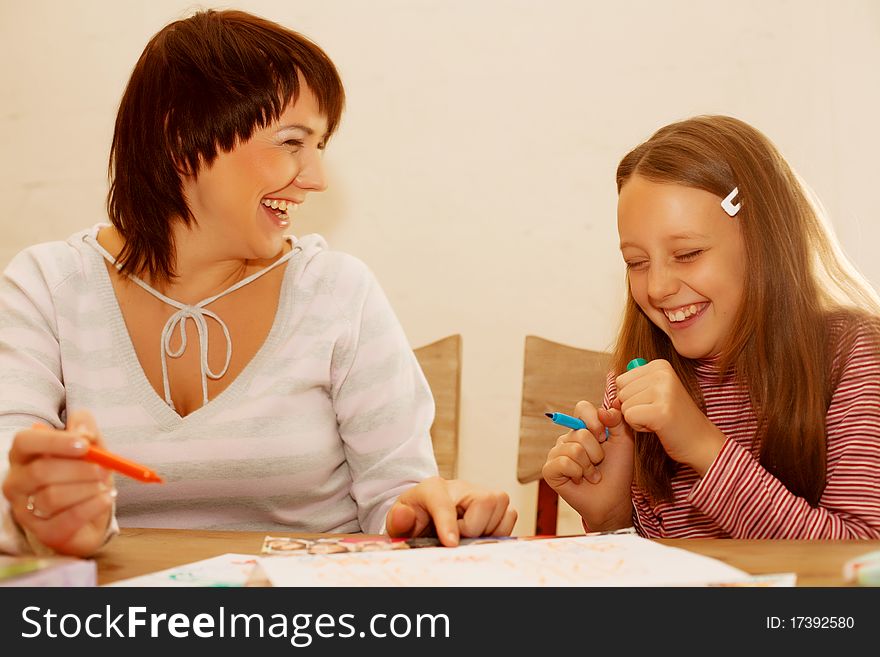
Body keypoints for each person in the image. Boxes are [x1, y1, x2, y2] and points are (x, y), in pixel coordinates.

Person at [0, 9, 516, 557]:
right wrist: (49, 514)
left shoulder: (337, 291)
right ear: (180, 135)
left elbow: (396, 497)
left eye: (320, 146)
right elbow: (12, 480)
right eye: (292, 142)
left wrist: (430, 511)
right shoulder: (47, 288)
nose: (315, 178)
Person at [542, 115, 880, 539]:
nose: (660, 288)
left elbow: (861, 563)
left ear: (764, 242)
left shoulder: (851, 357)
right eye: (637, 262)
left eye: (687, 253)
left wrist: (702, 446)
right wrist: (612, 519)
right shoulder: (636, 383)